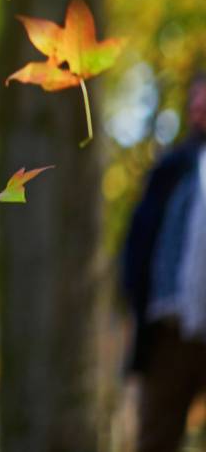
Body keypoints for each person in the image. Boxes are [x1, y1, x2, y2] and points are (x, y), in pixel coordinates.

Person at [121, 70, 206, 452]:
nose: (200, 106)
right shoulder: (171, 169)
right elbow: (140, 242)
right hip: (169, 328)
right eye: (196, 98)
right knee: (157, 435)